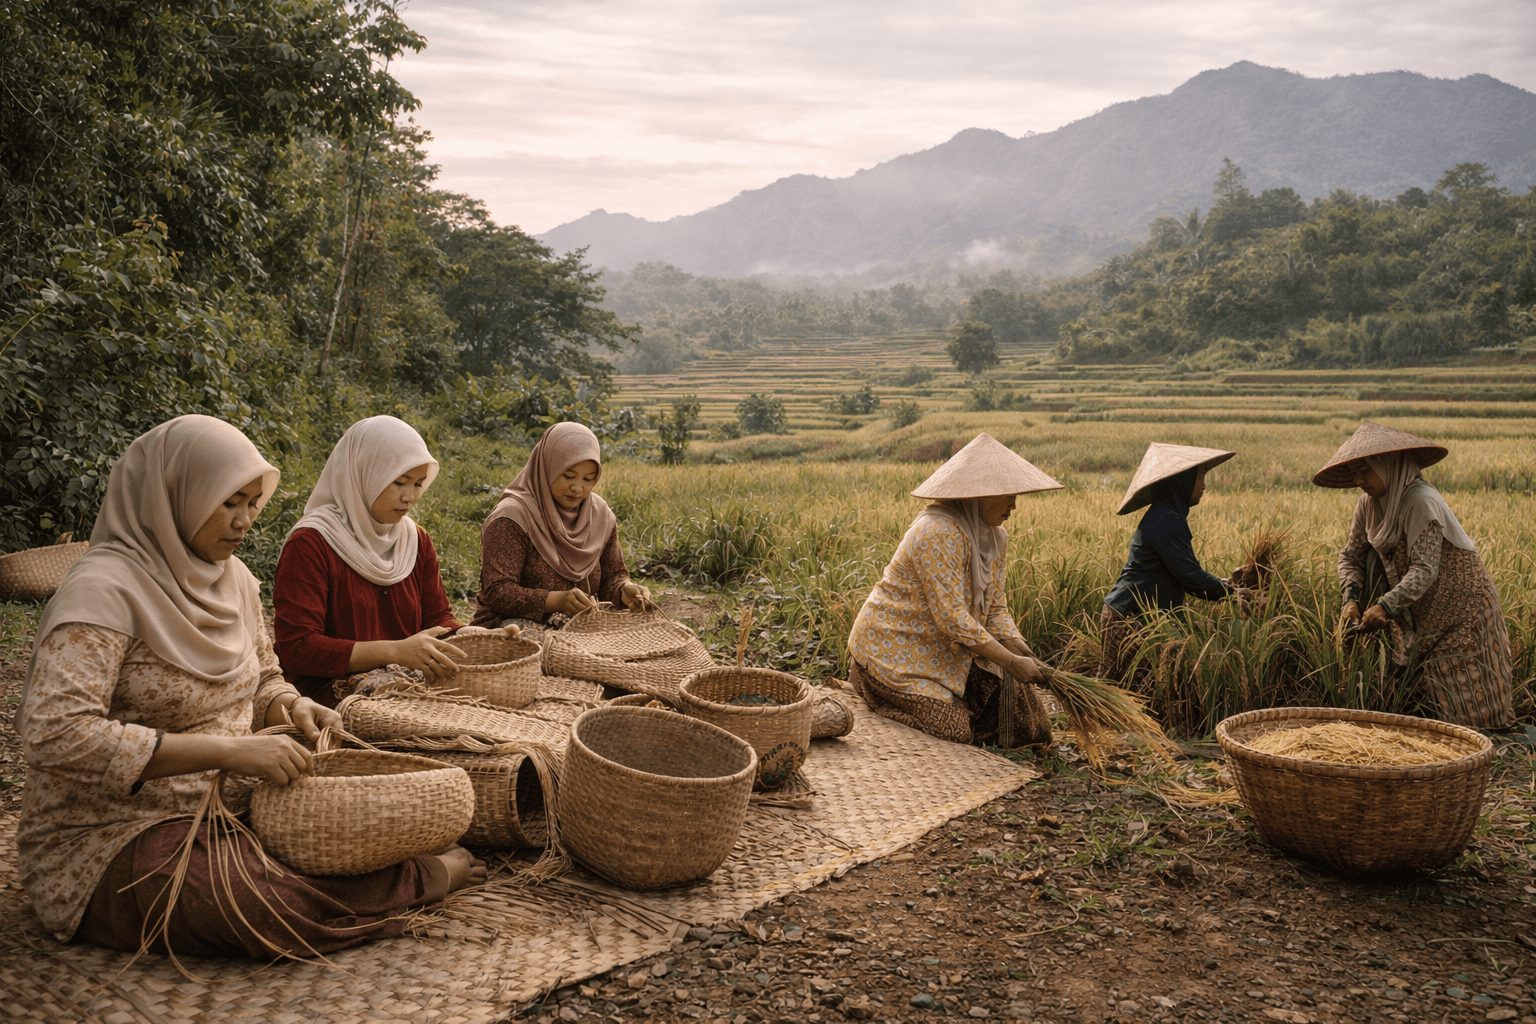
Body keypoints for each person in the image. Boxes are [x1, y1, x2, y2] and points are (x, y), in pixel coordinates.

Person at [16, 415, 484, 958]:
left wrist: (292, 704)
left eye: (252, 504)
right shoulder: (102, 593)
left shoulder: (234, 580)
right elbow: (55, 735)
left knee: (339, 835)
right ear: (175, 496)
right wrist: (229, 751)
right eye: (228, 502)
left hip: (236, 808)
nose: (244, 521)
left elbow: (263, 676)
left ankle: (372, 883)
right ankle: (413, 884)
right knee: (252, 901)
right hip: (114, 830)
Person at [845, 433, 1058, 748]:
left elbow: (996, 609)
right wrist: (1010, 663)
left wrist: (1024, 653)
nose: (1014, 505)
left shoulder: (995, 537)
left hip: (943, 649)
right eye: (1008, 495)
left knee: (1028, 724)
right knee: (953, 732)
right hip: (895, 649)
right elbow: (953, 619)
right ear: (981, 495)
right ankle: (872, 691)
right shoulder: (937, 531)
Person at [273, 416, 489, 706]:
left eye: (418, 484)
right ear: (363, 473)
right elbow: (298, 648)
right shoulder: (312, 543)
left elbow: (437, 619)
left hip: (402, 678)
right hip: (324, 692)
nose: (411, 497)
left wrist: (474, 636)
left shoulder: (415, 541)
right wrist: (394, 652)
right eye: (399, 482)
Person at [1315, 421, 1514, 729]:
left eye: (1365, 470)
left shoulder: (1421, 500)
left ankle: (1487, 749)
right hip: (1418, 608)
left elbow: (1424, 569)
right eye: (1354, 472)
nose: (1358, 479)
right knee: (1417, 690)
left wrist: (1384, 606)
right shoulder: (1368, 503)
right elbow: (1350, 554)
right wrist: (1350, 599)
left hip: (1461, 606)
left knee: (1468, 699)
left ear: (1388, 466)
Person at [470, 421, 651, 634]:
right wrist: (554, 601)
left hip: (579, 628)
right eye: (568, 475)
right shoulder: (512, 517)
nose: (578, 487)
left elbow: (613, 576)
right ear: (547, 466)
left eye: (588, 479)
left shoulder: (600, 516)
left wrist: (624, 590)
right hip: (510, 630)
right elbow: (498, 593)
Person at [1097, 443, 1253, 681]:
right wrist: (1232, 593)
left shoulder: (1167, 515)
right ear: (1183, 481)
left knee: (1135, 691)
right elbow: (1190, 576)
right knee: (1120, 693)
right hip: (1127, 618)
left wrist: (1226, 584)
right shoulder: (1166, 519)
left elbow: (1183, 572)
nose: (1204, 486)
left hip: (1137, 617)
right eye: (1200, 477)